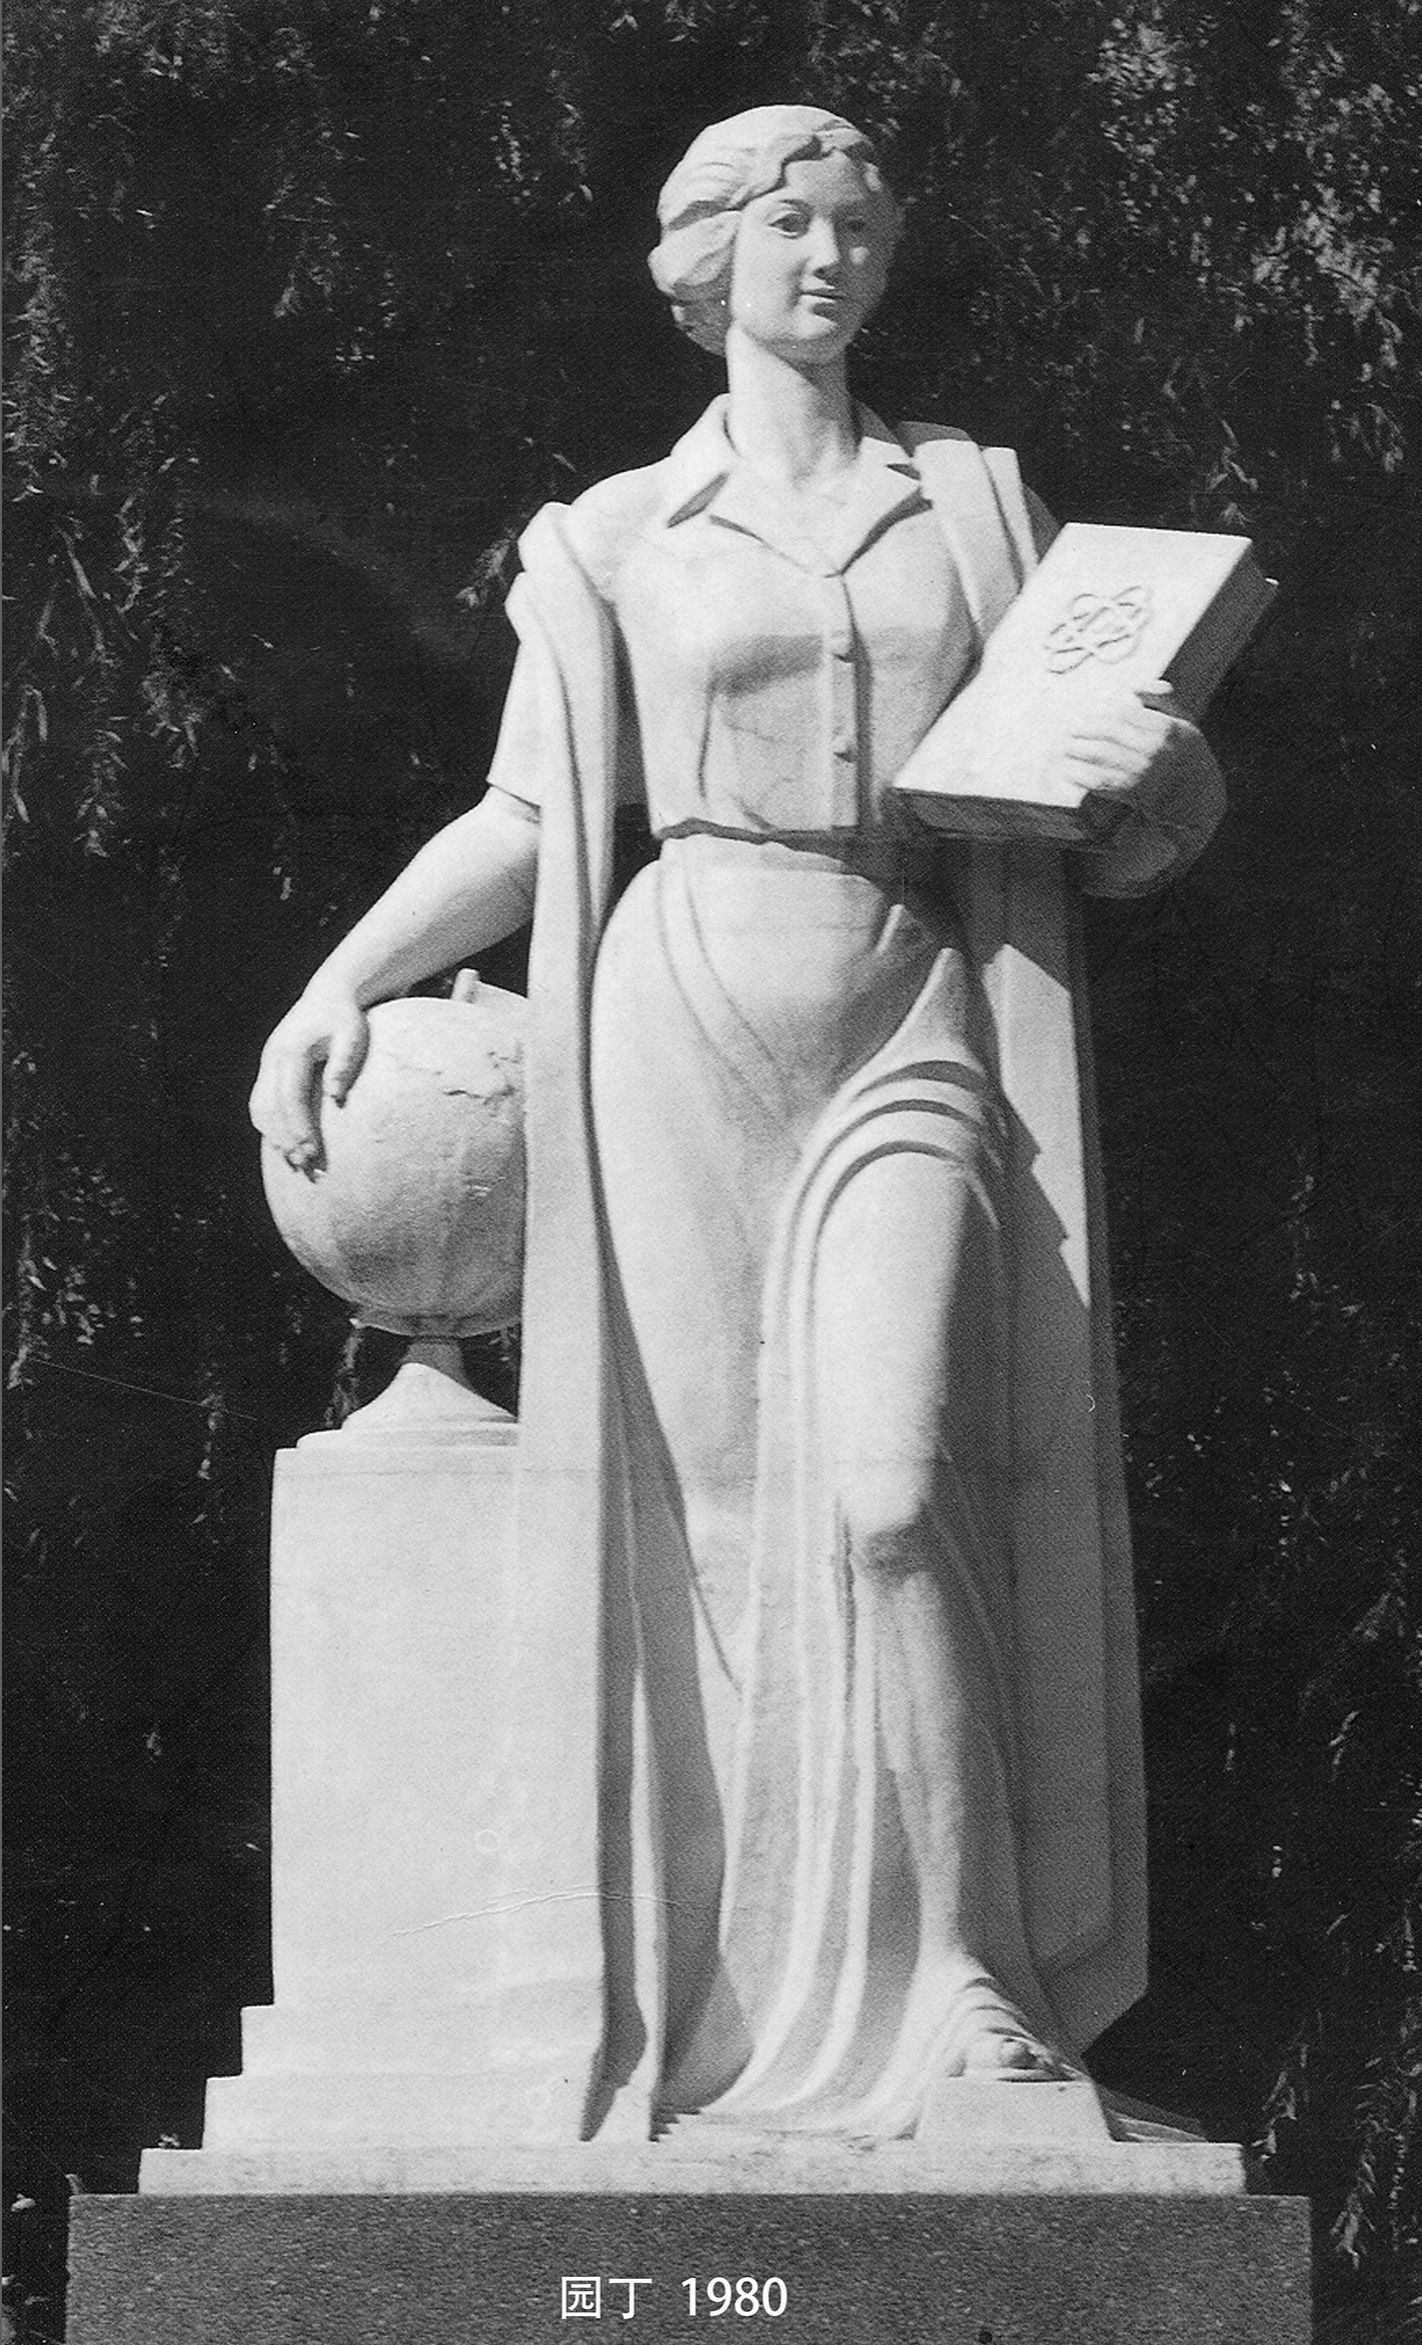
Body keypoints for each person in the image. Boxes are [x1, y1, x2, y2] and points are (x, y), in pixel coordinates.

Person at [250, 105, 1225, 2142]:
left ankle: (965, 1979)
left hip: (908, 1004)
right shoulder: (619, 532)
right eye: (790, 222)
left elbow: (1115, 802)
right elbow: (532, 817)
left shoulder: (974, 502)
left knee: (893, 1490)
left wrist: (1159, 780)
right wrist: (338, 979)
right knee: (701, 1523)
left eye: (859, 223)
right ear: (705, 259)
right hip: (681, 1012)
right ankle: (715, 2000)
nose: (829, 256)